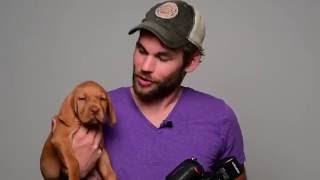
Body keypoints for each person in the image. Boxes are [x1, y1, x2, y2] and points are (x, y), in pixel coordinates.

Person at [64, 0, 247, 179]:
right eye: (142, 50)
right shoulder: (97, 109)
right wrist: (74, 172)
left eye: (162, 57)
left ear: (191, 62)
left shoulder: (219, 117)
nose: (145, 66)